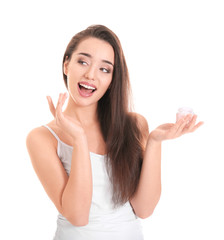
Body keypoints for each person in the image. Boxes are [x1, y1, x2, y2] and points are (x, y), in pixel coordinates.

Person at [26, 25, 203, 240]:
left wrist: (155, 142)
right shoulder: (42, 138)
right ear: (66, 65)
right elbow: (77, 216)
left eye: (104, 69)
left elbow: (144, 209)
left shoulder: (134, 125)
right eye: (83, 61)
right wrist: (79, 139)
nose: (91, 74)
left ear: (111, 80)